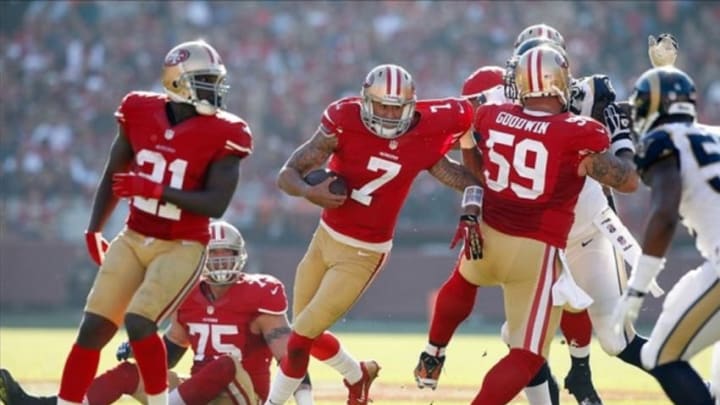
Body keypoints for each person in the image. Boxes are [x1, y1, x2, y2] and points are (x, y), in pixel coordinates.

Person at [416, 24, 643, 405]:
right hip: (536, 246)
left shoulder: (491, 113)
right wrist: (623, 137)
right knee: (527, 351)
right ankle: (566, 380)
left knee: (466, 283)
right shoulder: (578, 127)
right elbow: (626, 179)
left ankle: (434, 351)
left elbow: (464, 138)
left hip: (490, 229)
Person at [263, 63, 483, 405]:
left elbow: (469, 150)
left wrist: (475, 200)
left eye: (397, 107)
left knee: (300, 339)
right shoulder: (343, 120)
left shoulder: (428, 131)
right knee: (304, 332)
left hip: (364, 252)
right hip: (323, 238)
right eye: (382, 105)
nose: (389, 114)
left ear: (411, 106)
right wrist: (309, 193)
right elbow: (287, 174)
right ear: (366, 101)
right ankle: (358, 375)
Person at [56, 40, 253, 405]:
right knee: (92, 329)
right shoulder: (139, 109)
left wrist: (154, 188)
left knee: (140, 321)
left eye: (216, 79)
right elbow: (115, 171)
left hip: (183, 243)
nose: (215, 88)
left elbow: (217, 203)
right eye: (205, 79)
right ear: (177, 82)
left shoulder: (228, 132)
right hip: (134, 236)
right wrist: (95, 227)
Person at [0, 221, 313, 405]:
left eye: (225, 255)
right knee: (129, 373)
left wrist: (304, 401)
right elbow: (172, 351)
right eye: (213, 255)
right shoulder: (188, 291)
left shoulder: (260, 292)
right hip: (194, 396)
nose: (219, 262)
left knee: (226, 362)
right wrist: (141, 348)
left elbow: (290, 356)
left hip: (242, 396)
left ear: (240, 257)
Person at [611, 66, 719, 405]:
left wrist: (637, 288)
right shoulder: (713, 134)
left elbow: (664, 215)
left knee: (659, 356)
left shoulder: (663, 141)